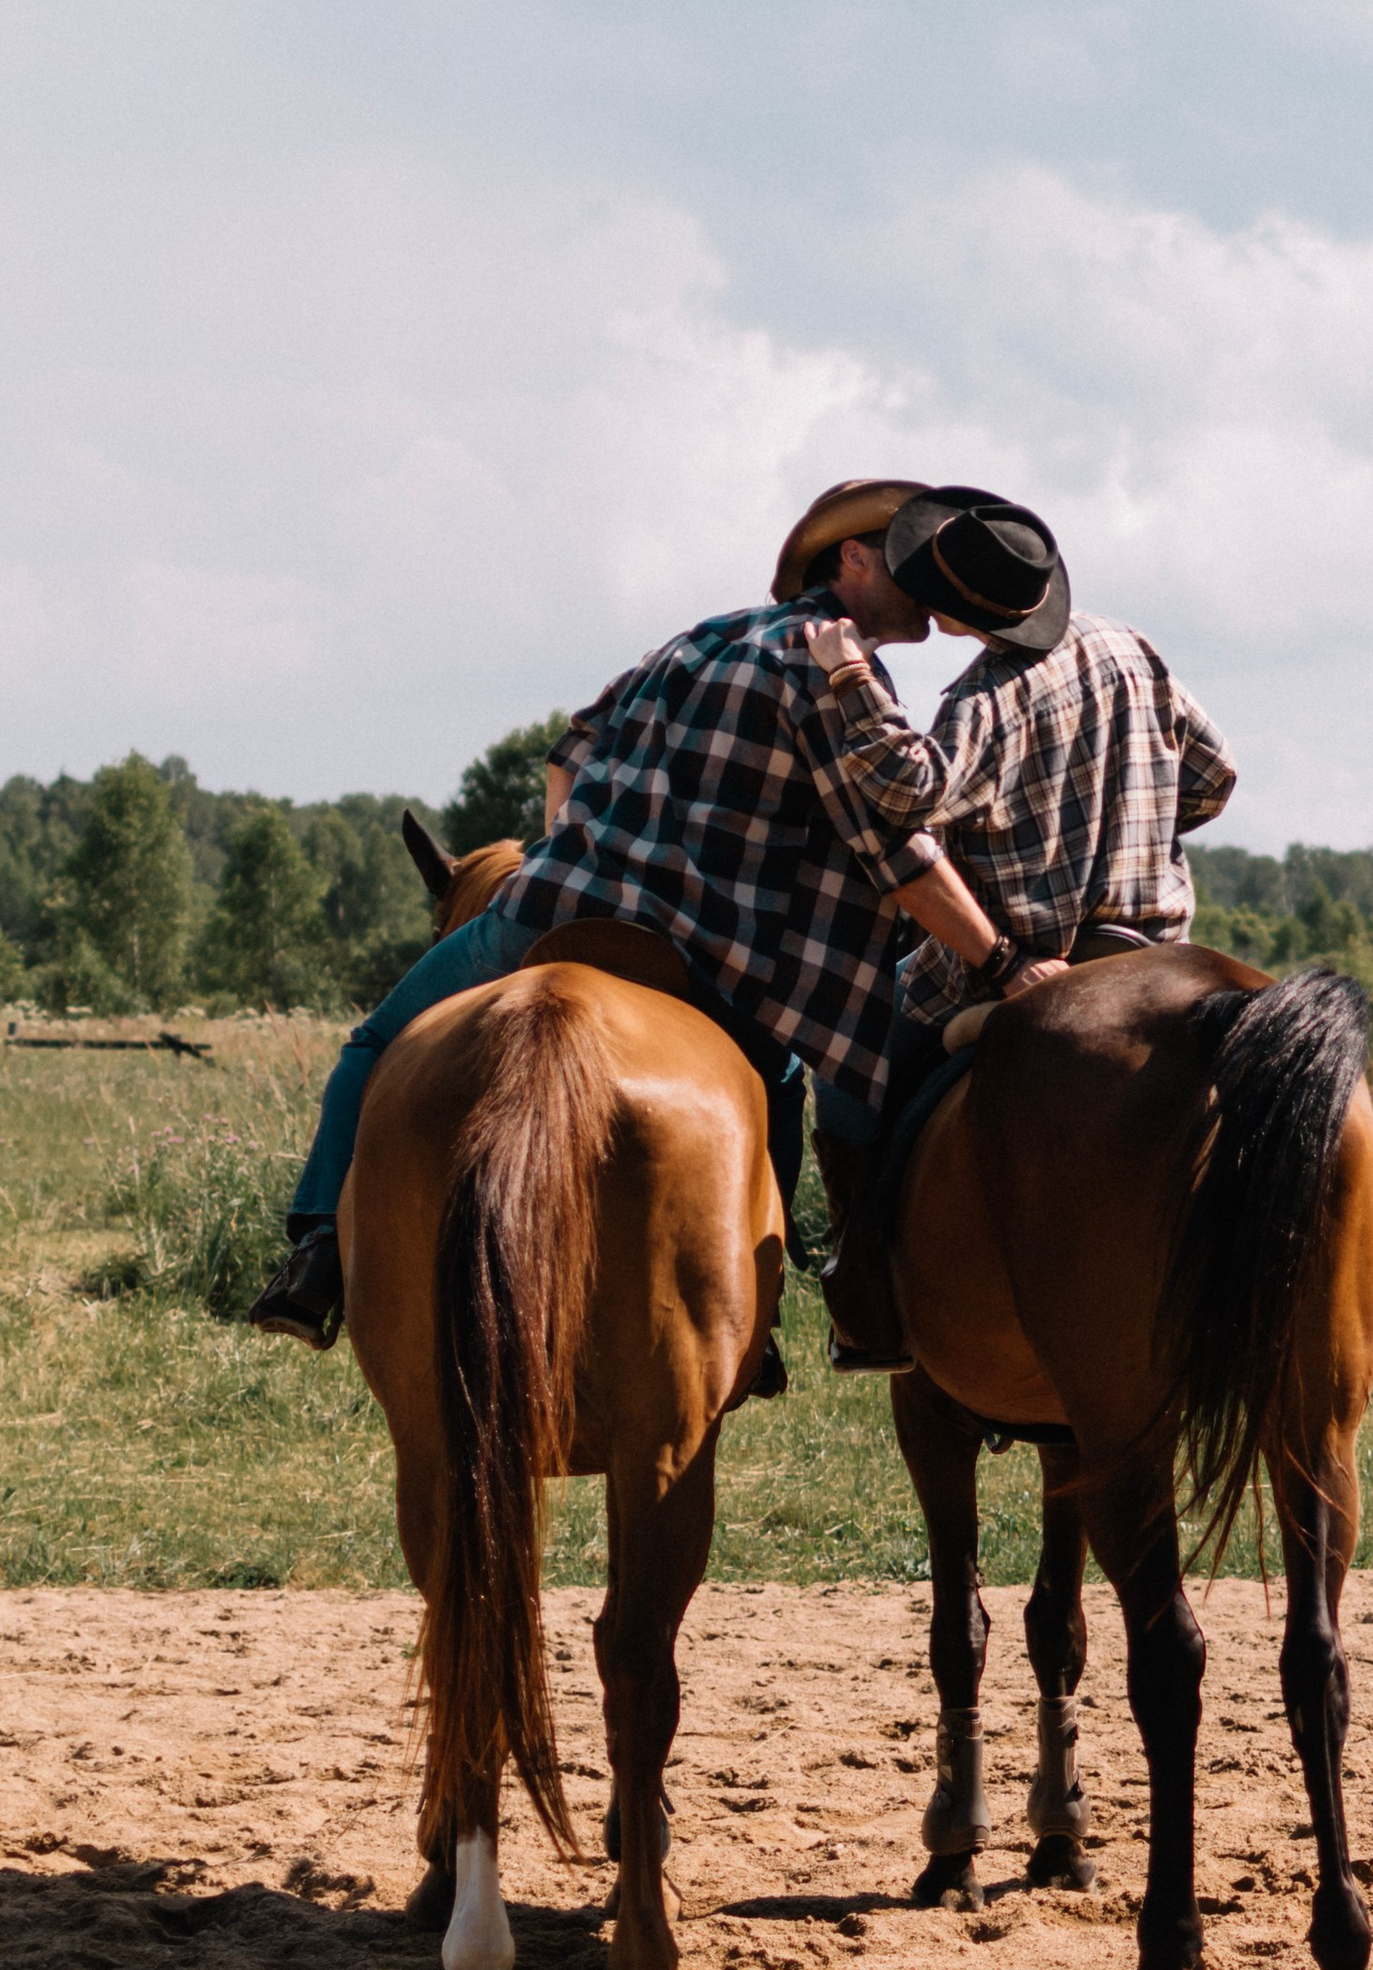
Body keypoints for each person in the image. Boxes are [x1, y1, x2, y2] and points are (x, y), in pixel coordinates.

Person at [244, 477, 1059, 1364]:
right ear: (850, 560)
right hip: (717, 954)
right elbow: (900, 857)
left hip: (551, 912)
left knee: (375, 1044)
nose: (920, 583)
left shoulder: (706, 633)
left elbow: (573, 745)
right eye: (900, 561)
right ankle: (754, 1305)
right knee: (778, 1079)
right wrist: (1003, 959)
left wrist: (578, 851)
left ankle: (320, 1254)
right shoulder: (836, 673)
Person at [809, 483, 1237, 1366]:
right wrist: (1135, 828)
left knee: (848, 1071)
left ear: (959, 621)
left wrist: (850, 679)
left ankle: (867, 1295)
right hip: (1151, 949)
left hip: (1019, 967)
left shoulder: (982, 701)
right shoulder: (1132, 648)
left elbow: (908, 793)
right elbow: (1215, 776)